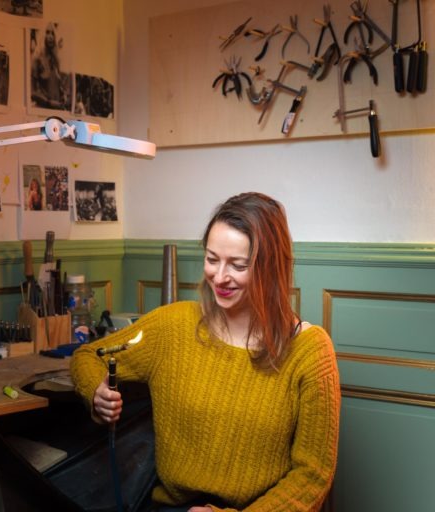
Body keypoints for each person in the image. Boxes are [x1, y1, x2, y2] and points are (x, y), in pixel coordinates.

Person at [70, 192, 341, 511]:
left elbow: (313, 475)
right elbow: (87, 356)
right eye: (212, 259)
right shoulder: (173, 325)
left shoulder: (310, 350)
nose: (220, 276)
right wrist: (96, 392)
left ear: (271, 269)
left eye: (238, 265)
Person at [30, 22, 71, 110]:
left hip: (57, 110)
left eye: (53, 33)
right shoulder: (37, 59)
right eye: (47, 32)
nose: (50, 37)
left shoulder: (57, 59)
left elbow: (59, 86)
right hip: (42, 109)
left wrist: (64, 96)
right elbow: (32, 91)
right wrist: (48, 102)